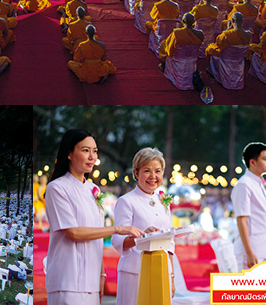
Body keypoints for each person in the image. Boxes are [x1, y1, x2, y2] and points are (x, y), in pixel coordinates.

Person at [45, 129, 141, 305]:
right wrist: (117, 229)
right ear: (69, 153)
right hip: (67, 279)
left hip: (91, 280)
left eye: (95, 151)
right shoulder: (57, 188)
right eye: (85, 150)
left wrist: (101, 274)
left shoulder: (92, 190)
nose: (92, 156)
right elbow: (73, 233)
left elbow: (95, 238)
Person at [112, 148, 174, 305]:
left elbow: (170, 242)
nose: (153, 177)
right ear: (136, 173)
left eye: (158, 171)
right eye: (147, 171)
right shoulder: (126, 201)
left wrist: (171, 276)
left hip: (161, 271)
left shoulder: (163, 201)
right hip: (135, 272)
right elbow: (118, 240)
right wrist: (142, 237)